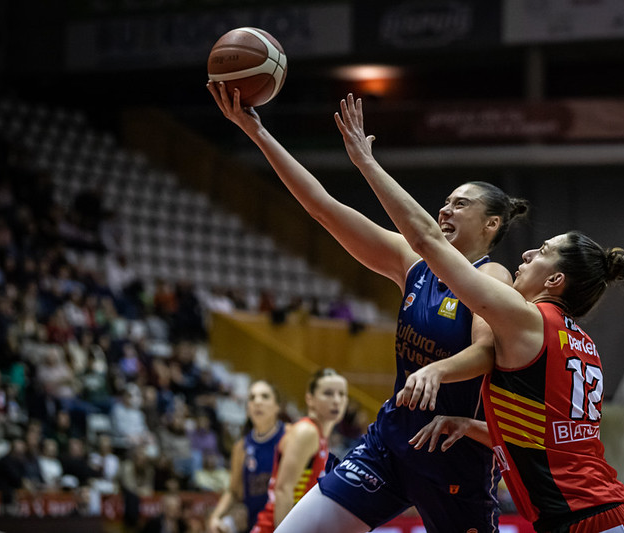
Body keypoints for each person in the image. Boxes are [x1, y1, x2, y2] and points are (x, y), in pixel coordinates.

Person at [208, 80, 528, 533]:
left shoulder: (493, 278)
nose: (446, 210)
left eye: (461, 204)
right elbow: (322, 207)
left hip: (452, 458)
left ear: (491, 224)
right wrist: (256, 131)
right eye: (445, 202)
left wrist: (437, 370)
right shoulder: (411, 262)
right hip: (390, 445)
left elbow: (486, 352)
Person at [334, 94, 624, 533]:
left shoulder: (527, 318)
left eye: (542, 251)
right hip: (619, 511)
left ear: (555, 280)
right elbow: (548, 442)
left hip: (582, 518)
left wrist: (367, 163)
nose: (527, 253)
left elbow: (427, 242)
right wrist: (471, 425)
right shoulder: (581, 344)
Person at [250, 369, 348, 533]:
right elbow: (283, 490)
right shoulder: (306, 431)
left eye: (342, 394)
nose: (337, 400)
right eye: (328, 393)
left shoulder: (319, 434)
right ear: (310, 399)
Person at [208, 379, 286, 533]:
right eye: (252, 398)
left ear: (277, 406)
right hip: (256, 526)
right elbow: (233, 491)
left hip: (287, 524)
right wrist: (215, 517)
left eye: (265, 396)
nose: (257, 402)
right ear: (247, 408)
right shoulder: (241, 446)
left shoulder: (291, 436)